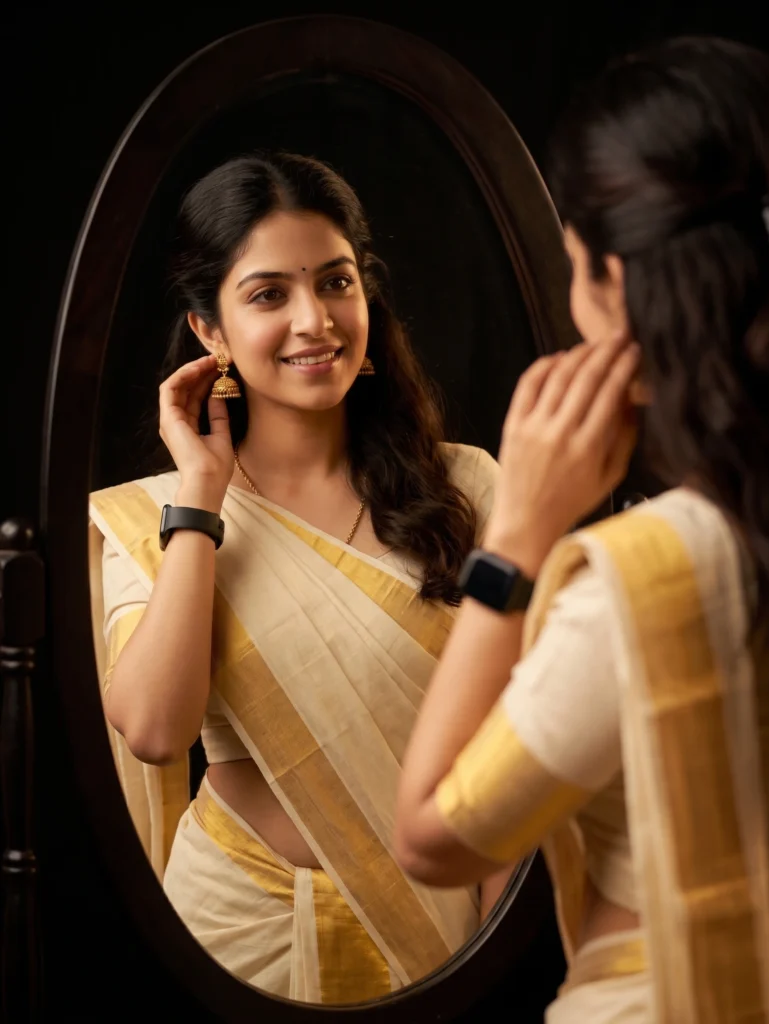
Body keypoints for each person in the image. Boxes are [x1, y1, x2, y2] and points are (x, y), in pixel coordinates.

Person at [394, 37, 769, 1023]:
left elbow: (434, 837)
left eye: (576, 267)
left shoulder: (645, 582)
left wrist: (519, 538)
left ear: (618, 288)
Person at [88, 152, 511, 1003]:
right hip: (239, 935)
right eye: (269, 294)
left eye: (336, 282)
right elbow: (155, 731)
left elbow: (513, 744)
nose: (314, 320)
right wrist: (201, 500)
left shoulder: (467, 489)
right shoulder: (152, 520)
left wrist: (496, 957)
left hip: (439, 931)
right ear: (209, 330)